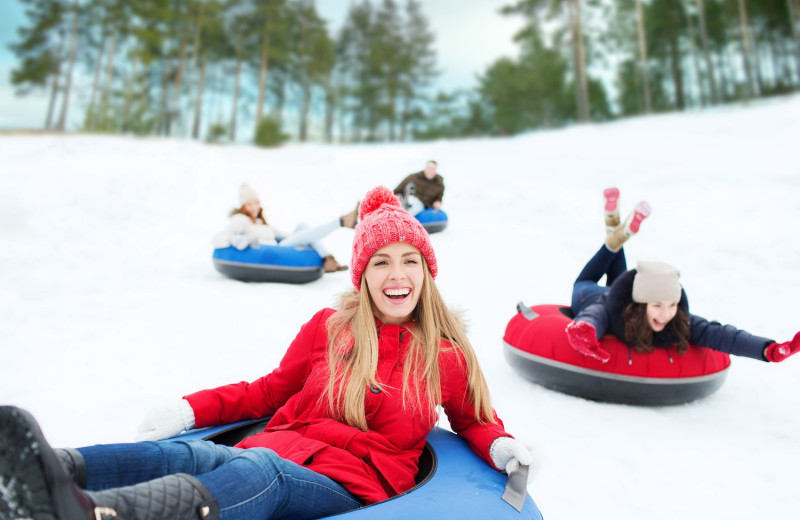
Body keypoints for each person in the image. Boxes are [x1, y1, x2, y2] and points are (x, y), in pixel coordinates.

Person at [0, 186, 536, 520]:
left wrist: (504, 447)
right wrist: (190, 409)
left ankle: (98, 515)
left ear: (427, 270)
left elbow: (475, 419)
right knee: (192, 455)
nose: (397, 275)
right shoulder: (331, 327)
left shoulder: (445, 355)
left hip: (352, 484)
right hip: (281, 445)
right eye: (381, 263)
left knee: (261, 472)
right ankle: (45, 469)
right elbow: (269, 392)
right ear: (363, 275)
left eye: (409, 261)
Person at [565, 187, 800, 364]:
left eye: (672, 304)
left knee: (616, 267)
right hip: (588, 294)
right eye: (657, 305)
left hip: (622, 290)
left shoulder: (676, 320)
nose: (666, 314)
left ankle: (615, 229)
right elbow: (592, 317)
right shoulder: (608, 310)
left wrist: (768, 350)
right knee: (588, 279)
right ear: (640, 304)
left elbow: (719, 334)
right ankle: (614, 234)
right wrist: (584, 330)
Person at [212, 183, 357, 273]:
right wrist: (233, 239)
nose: (253, 207)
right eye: (248, 205)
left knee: (302, 227)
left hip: (278, 246)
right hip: (273, 251)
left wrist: (302, 236)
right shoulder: (240, 220)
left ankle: (328, 258)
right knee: (304, 233)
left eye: (255, 203)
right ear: (243, 207)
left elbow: (279, 233)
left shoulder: (259, 221)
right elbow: (219, 237)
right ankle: (341, 222)